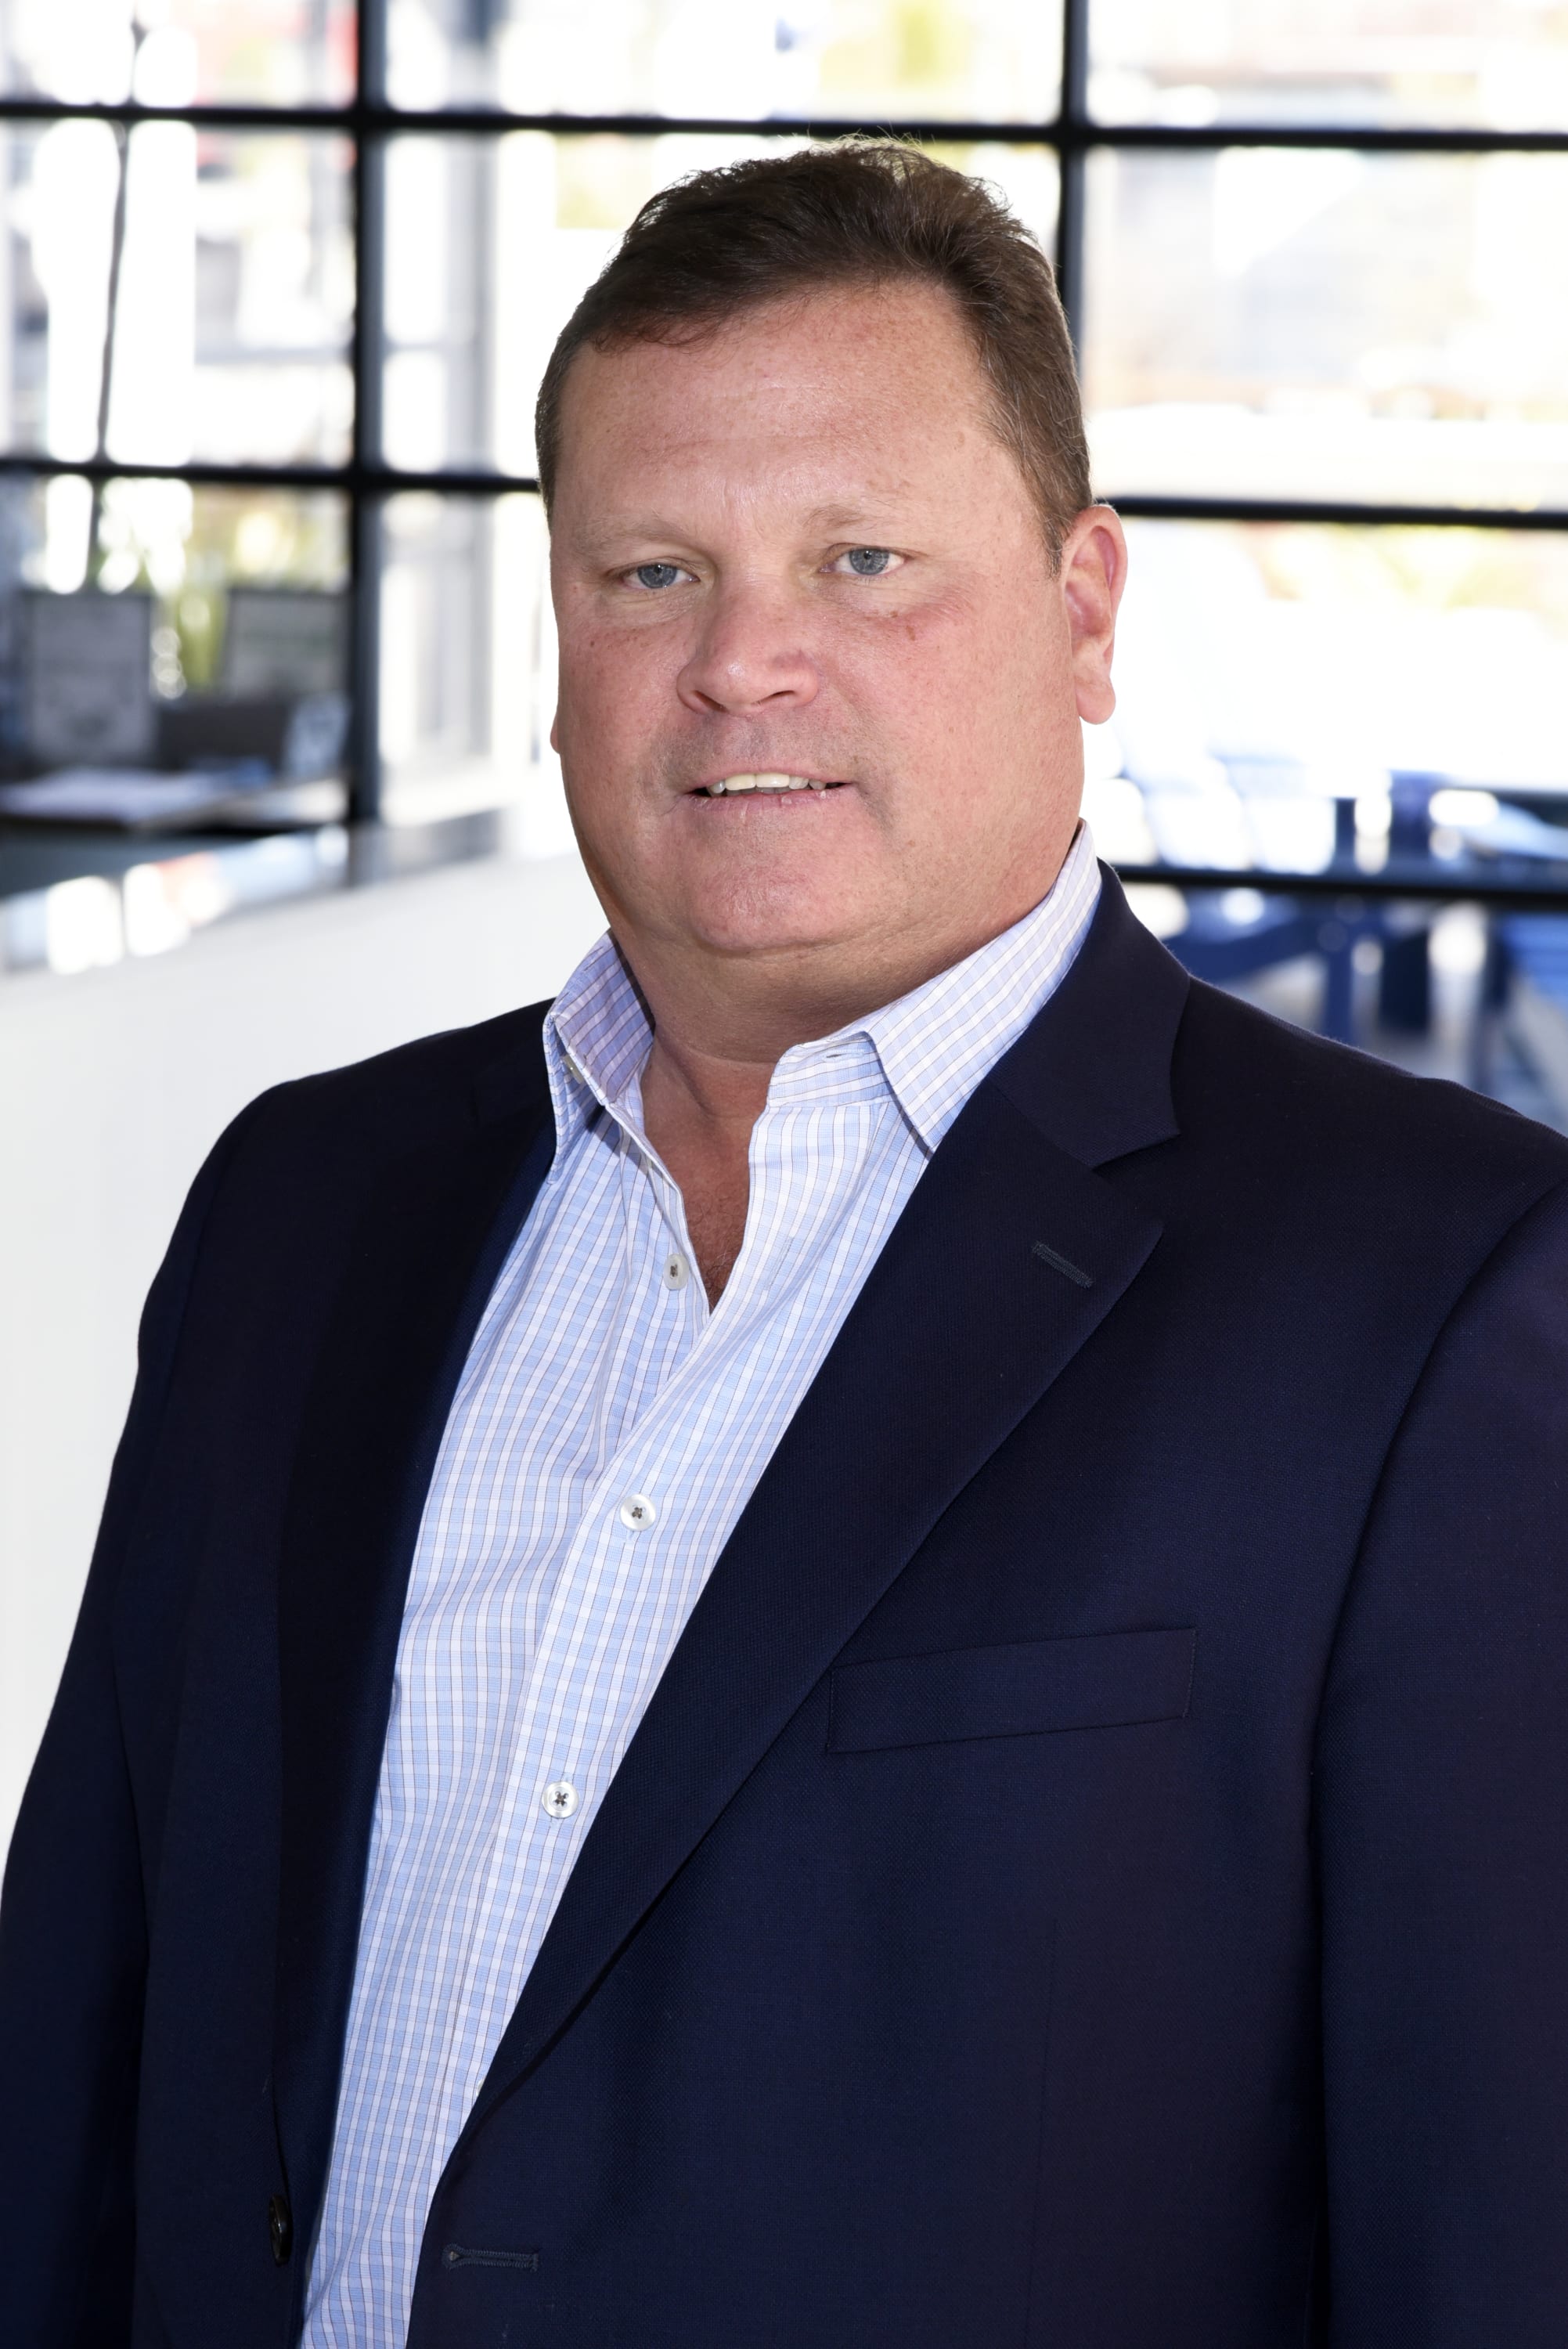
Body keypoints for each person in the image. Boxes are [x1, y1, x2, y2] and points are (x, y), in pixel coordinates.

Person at [3, 143, 1567, 2349]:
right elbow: (77, 2067)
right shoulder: (305, 1205)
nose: (743, 662)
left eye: (862, 560)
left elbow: (1494, 2233)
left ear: (1084, 608)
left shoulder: (1436, 1300)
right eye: (651, 571)